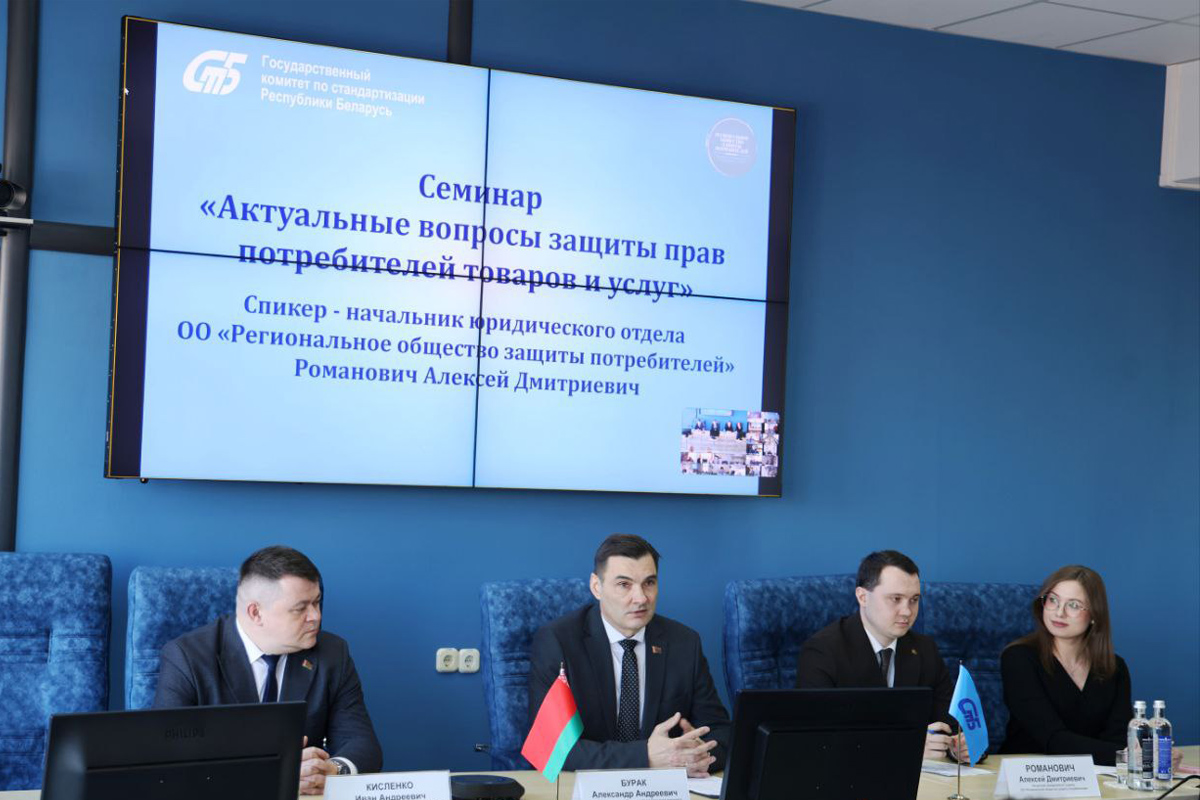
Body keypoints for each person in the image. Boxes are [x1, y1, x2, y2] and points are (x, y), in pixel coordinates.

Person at [154, 546, 382, 795]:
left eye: (317, 602)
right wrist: (268, 775)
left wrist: (330, 770)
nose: (315, 616)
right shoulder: (187, 658)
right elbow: (168, 761)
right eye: (300, 608)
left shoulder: (332, 653)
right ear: (256, 613)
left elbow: (363, 744)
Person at [528, 534, 730, 776]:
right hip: (587, 787)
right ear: (596, 587)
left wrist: (699, 755)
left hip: (664, 788)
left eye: (649, 583)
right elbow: (551, 748)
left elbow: (721, 733)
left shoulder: (684, 643)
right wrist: (645, 756)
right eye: (624, 584)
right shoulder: (558, 642)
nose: (641, 598)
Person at [795, 550, 969, 761]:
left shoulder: (925, 649)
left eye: (914, 600)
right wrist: (907, 747)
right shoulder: (823, 651)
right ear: (862, 597)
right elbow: (817, 740)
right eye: (895, 599)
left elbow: (952, 724)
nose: (907, 611)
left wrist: (959, 746)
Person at [999, 565, 1134, 766]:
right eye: (1053, 600)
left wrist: (1137, 755)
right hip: (1030, 773)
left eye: (1074, 605)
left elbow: (1119, 738)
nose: (1059, 613)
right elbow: (1052, 739)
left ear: (1094, 614)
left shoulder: (1115, 667)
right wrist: (1132, 757)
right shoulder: (1018, 658)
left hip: (1098, 774)